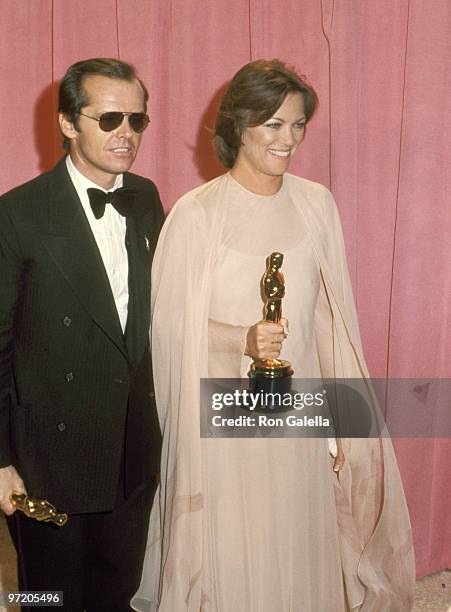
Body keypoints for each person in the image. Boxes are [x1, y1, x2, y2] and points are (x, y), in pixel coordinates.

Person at [134, 60, 415, 611]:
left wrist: (341, 423)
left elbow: (331, 328)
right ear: (239, 126)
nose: (288, 139)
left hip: (298, 414)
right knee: (239, 552)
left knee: (299, 538)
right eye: (272, 124)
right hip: (224, 423)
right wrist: (242, 339)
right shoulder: (197, 215)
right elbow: (167, 328)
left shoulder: (317, 205)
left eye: (297, 125)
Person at [0, 58, 164, 611]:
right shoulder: (17, 214)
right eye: (110, 118)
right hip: (50, 457)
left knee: (116, 593)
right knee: (49, 599)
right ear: (69, 123)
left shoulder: (144, 199)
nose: (126, 134)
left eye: (137, 121)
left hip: (131, 449)